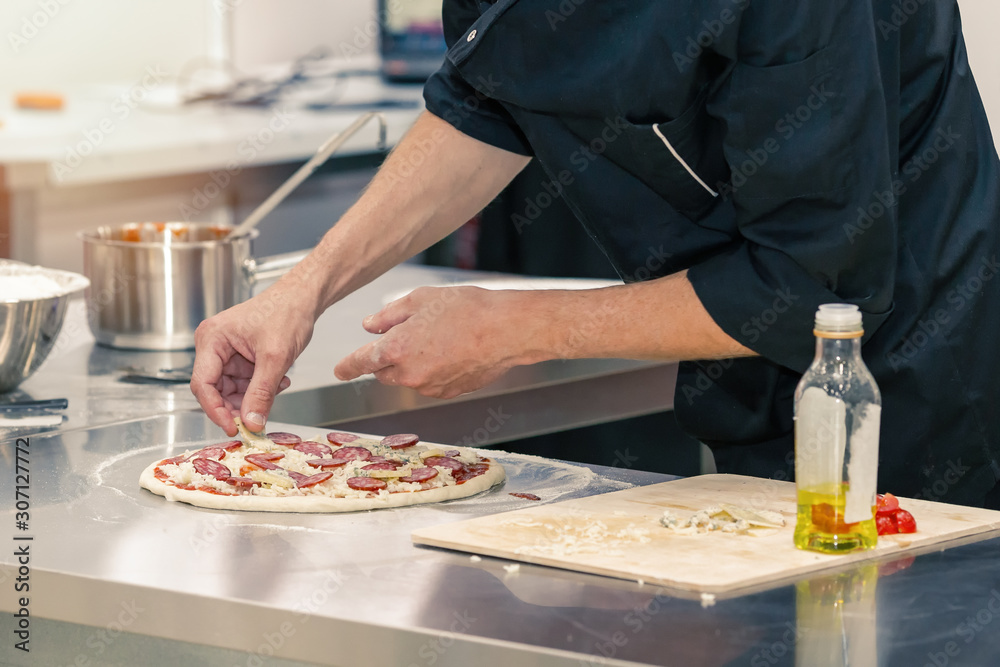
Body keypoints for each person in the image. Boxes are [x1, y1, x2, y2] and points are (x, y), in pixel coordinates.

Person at [191, 0, 1000, 508]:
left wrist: (511, 328)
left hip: (909, 370)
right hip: (736, 347)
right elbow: (488, 98)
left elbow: (811, 282)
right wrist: (302, 289)